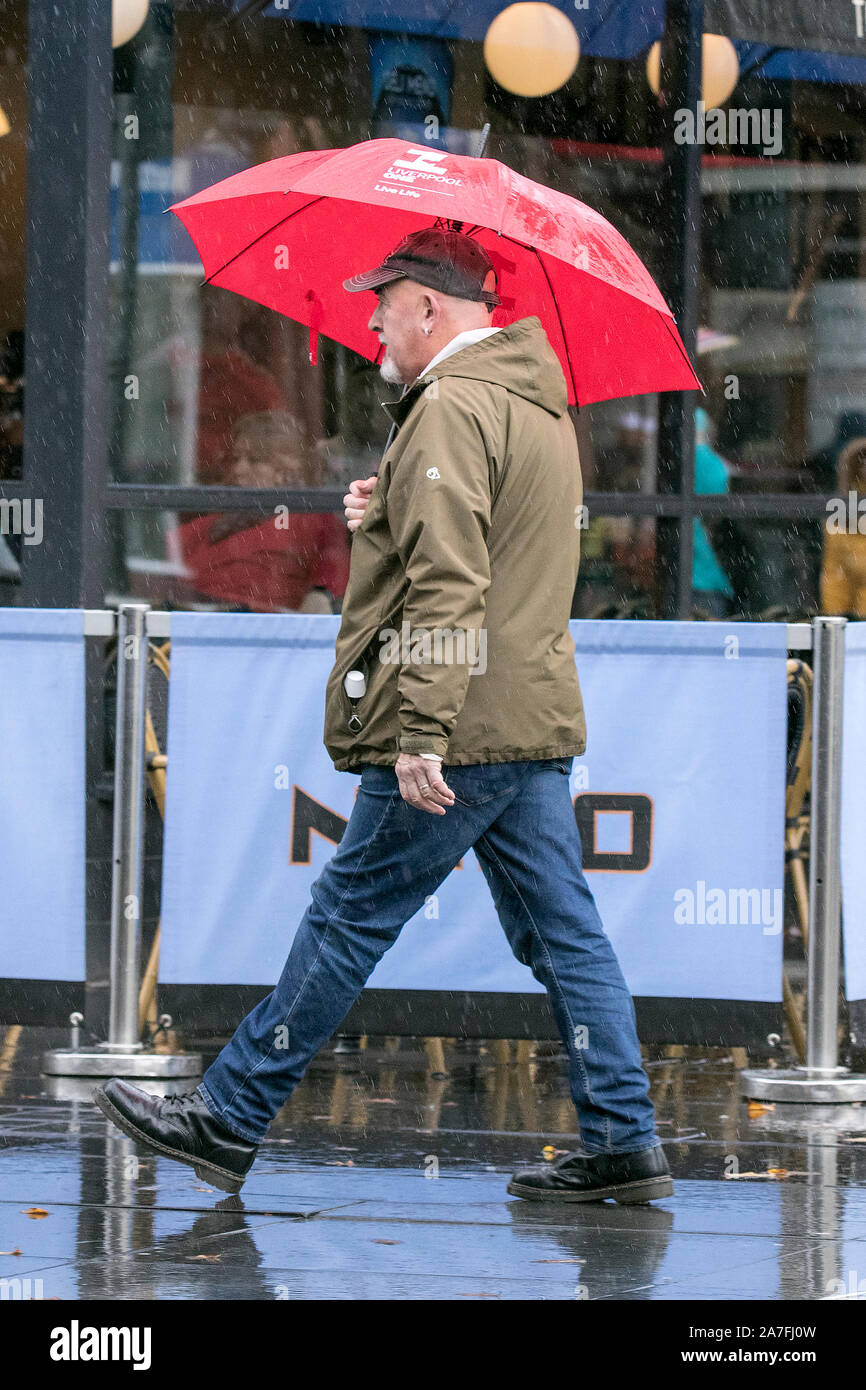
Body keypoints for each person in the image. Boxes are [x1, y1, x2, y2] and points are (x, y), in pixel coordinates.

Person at [93, 228, 672, 1206]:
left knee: (347, 918)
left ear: (430, 309)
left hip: (464, 725)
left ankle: (227, 1116)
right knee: (564, 938)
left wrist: (421, 730)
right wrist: (392, 505)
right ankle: (621, 1136)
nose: (367, 319)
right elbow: (503, 544)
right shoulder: (535, 405)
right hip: (527, 713)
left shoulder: (449, 408)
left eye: (383, 301)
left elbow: (451, 583)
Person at [172, 412, 349, 614]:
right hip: (196, 618)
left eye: (254, 460)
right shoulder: (218, 521)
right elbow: (164, 560)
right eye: (236, 458)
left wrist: (320, 594)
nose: (239, 469)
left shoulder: (311, 516)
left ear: (286, 470)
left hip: (263, 625)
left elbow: (334, 564)